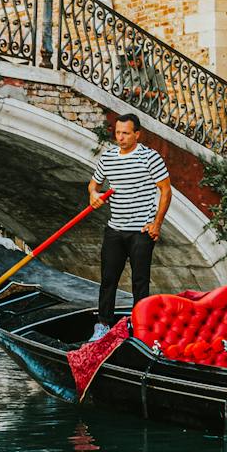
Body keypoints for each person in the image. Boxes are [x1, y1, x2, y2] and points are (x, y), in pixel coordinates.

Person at [88, 113, 172, 341]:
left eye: (125, 133)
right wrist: (93, 195)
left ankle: (140, 329)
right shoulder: (108, 158)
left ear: (137, 134)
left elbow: (166, 190)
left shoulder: (150, 158)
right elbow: (93, 184)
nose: (121, 137)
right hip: (115, 228)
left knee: (140, 281)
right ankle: (103, 325)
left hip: (141, 230)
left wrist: (157, 223)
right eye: (117, 133)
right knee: (108, 279)